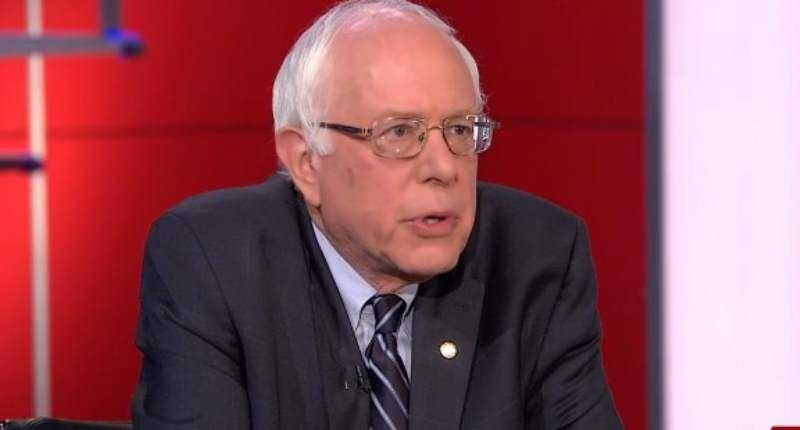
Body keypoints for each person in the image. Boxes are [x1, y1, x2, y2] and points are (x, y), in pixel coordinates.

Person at [131, 0, 623, 428]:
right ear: (306, 162)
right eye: (399, 133)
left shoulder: (536, 260)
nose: (443, 168)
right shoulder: (214, 263)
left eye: (460, 129)